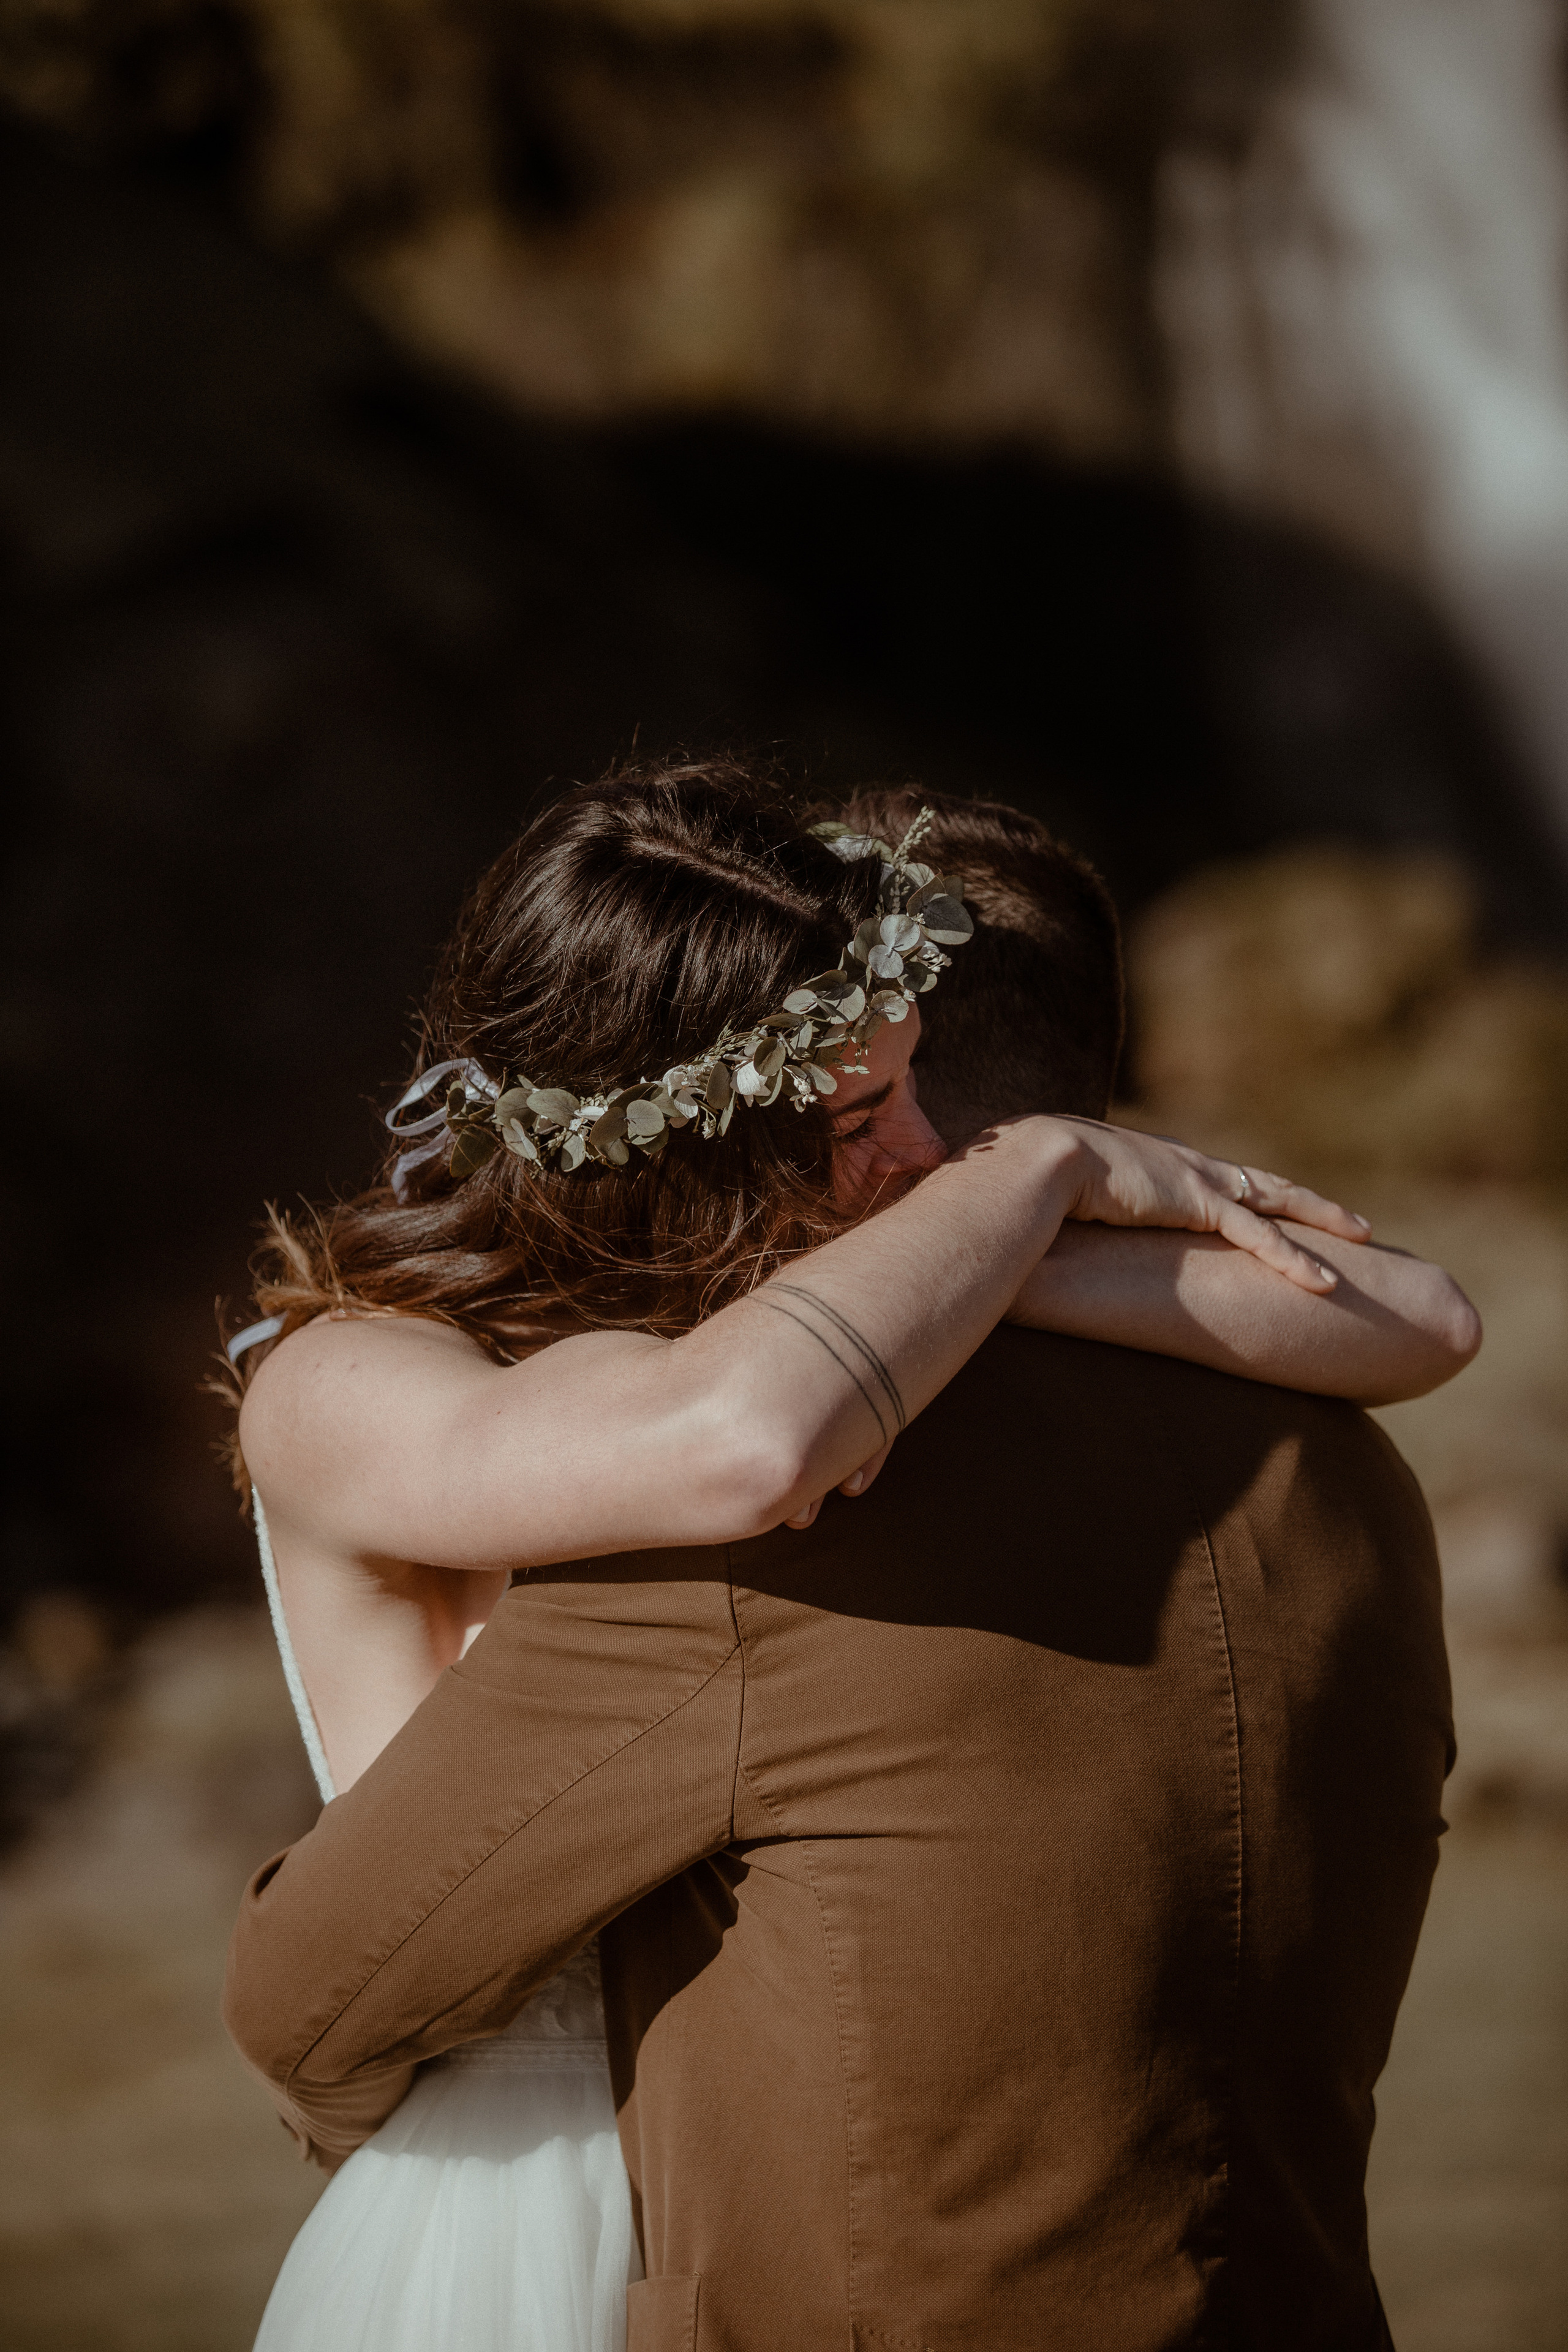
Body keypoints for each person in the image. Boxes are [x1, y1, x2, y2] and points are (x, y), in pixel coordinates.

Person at [224, 764, 1475, 2351]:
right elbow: (738, 1436)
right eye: (874, 1118)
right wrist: (1038, 1181)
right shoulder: (366, 1383)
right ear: (693, 1147)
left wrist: (995, 1244)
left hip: (734, 2196)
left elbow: (1431, 1318)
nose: (935, 1153)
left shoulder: (831, 1380)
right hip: (495, 2198)